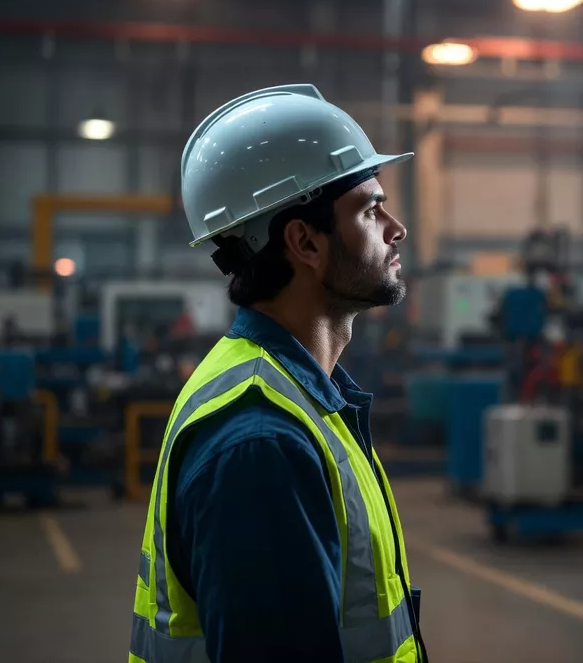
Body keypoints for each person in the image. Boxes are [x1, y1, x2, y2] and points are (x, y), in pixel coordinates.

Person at [129, 85, 426, 663]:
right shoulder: (262, 442)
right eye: (370, 209)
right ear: (304, 241)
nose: (396, 228)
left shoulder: (294, 395)